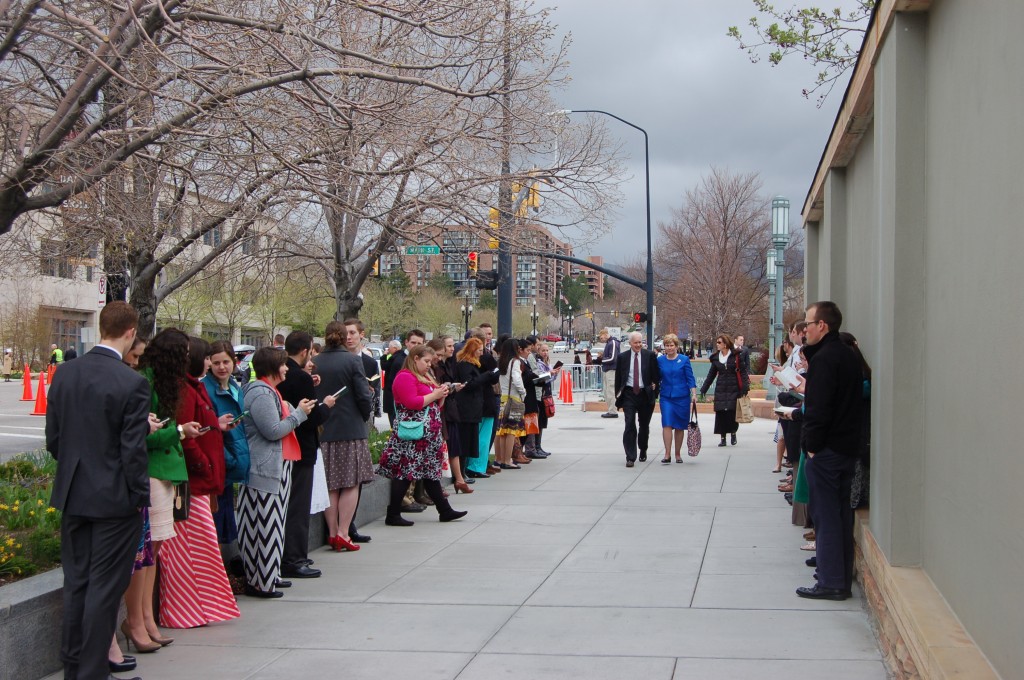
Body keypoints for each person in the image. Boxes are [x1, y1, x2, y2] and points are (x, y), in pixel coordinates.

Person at [45, 301, 150, 680]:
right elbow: (132, 453)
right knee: (104, 589)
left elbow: (54, 440)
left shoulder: (65, 373)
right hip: (115, 501)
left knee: (77, 583)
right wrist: (139, 498)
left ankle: (75, 668)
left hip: (74, 494)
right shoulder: (132, 382)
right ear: (130, 333)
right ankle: (90, 673)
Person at [124, 328, 202, 654]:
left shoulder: (161, 382)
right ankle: (138, 620)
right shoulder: (147, 382)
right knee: (145, 552)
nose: (187, 358)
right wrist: (180, 432)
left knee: (153, 551)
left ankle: (145, 617)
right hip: (153, 472)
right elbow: (145, 436)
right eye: (182, 352)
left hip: (164, 473)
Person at [160, 337, 240, 628]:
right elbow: (185, 434)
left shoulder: (194, 387)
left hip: (202, 480)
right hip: (193, 483)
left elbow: (196, 426)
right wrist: (203, 465)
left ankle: (201, 607)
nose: (211, 363)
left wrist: (214, 425)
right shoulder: (187, 389)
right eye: (208, 357)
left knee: (201, 548)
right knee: (192, 549)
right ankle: (187, 610)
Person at [795, 301, 864, 601]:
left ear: (822, 325)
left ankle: (832, 581)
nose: (805, 329)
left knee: (827, 515)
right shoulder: (846, 355)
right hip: (846, 448)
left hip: (829, 451)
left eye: (808, 323)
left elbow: (820, 410)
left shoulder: (826, 359)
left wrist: (812, 447)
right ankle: (836, 574)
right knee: (840, 514)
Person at [239, 348, 315, 597]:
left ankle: (270, 575)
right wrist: (299, 415)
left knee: (274, 524)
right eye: (283, 365)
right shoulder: (261, 393)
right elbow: (273, 430)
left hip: (275, 466)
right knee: (264, 526)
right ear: (272, 367)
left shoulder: (266, 390)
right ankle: (261, 581)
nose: (286, 369)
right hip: (264, 468)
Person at [378, 345, 467, 525]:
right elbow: (412, 403)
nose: (429, 365)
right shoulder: (405, 377)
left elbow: (435, 404)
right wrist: (435, 394)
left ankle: (445, 510)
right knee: (405, 473)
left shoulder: (424, 376)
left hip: (427, 436)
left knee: (430, 474)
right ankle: (393, 514)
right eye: (426, 361)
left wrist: (442, 393)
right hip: (412, 435)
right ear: (415, 358)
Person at [277, 331, 335, 577]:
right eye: (310, 352)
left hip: (288, 447)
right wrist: (326, 406)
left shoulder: (287, 374)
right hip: (301, 447)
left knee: (291, 504)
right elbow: (311, 417)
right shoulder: (300, 377)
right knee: (298, 505)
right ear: (304, 351)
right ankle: (294, 558)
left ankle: (293, 555)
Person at [313, 321, 373, 552]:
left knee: (330, 483)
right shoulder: (352, 361)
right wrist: (365, 414)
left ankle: (331, 532)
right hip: (350, 429)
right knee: (351, 482)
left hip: (324, 429)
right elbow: (362, 395)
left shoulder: (315, 362)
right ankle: (343, 532)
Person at [202, 341, 250, 567]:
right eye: (216, 362)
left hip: (231, 464)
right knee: (215, 526)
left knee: (223, 526)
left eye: (226, 362)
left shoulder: (235, 386)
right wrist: (227, 459)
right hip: (219, 463)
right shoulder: (206, 389)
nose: (222, 367)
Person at [614, 332, 661, 467]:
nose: (638, 345)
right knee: (629, 424)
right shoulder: (623, 357)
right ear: (630, 343)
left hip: (645, 394)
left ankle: (643, 448)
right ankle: (630, 456)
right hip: (629, 394)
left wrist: (654, 390)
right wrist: (618, 396)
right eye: (636, 342)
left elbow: (656, 376)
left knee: (644, 426)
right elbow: (618, 379)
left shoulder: (650, 355)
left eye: (640, 342)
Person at [452, 337, 492, 492]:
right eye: (479, 350)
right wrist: (486, 376)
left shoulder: (472, 363)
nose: (481, 353)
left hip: (473, 406)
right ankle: (461, 473)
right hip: (466, 407)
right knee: (464, 441)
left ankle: (463, 472)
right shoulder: (464, 364)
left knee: (468, 441)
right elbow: (469, 384)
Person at [699, 334, 749, 448]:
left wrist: (745, 388)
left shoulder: (736, 356)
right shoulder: (716, 358)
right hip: (721, 388)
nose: (717, 344)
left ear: (725, 344)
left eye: (719, 342)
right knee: (721, 413)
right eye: (717, 342)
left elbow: (743, 372)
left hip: (734, 387)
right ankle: (723, 438)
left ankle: (733, 433)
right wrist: (704, 389)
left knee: (731, 412)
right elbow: (711, 375)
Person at [656, 334, 697, 464]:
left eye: (671, 345)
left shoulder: (684, 360)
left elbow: (690, 378)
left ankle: (677, 454)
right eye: (667, 345)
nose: (669, 348)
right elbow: (657, 377)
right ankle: (667, 453)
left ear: (676, 346)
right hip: (666, 397)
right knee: (667, 423)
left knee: (679, 426)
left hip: (682, 397)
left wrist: (694, 394)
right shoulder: (660, 360)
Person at [381, 331, 425, 426]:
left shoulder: (420, 360)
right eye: (413, 342)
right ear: (406, 342)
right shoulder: (400, 360)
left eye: (419, 343)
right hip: (400, 409)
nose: (416, 346)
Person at [534, 342, 561, 456]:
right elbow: (541, 378)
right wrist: (550, 373)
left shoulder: (546, 363)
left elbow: (550, 379)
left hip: (546, 393)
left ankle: (539, 445)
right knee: (539, 421)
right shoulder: (538, 363)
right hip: (540, 394)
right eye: (543, 351)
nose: (545, 353)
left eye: (546, 351)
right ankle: (536, 446)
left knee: (543, 420)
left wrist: (554, 373)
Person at [599, 330, 621, 418]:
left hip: (612, 370)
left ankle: (613, 411)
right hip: (608, 369)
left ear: (605, 334)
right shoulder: (610, 343)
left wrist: (602, 360)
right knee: (607, 391)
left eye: (601, 337)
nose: (601, 339)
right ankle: (611, 410)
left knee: (610, 391)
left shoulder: (613, 343)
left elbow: (613, 358)